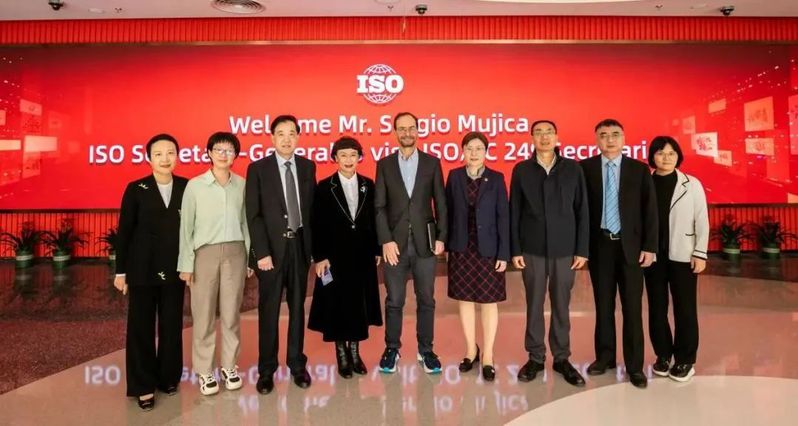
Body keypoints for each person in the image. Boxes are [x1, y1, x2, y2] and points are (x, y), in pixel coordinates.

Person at [580, 118, 658, 389]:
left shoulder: (639, 169)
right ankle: (605, 358)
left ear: (623, 139)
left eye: (615, 134)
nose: (609, 139)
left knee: (632, 308)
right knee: (603, 305)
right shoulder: (585, 168)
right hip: (600, 246)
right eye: (603, 135)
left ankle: (635, 366)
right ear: (596, 140)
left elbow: (650, 211)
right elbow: (580, 211)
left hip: (631, 248)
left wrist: (649, 246)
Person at [510, 120, 589, 387]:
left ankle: (562, 358)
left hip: (565, 249)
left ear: (557, 137)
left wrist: (582, 249)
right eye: (538, 133)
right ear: (531, 138)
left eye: (549, 132)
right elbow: (514, 211)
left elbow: (583, 210)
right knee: (534, 304)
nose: (544, 137)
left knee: (561, 305)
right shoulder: (522, 170)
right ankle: (535, 357)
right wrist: (515, 249)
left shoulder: (573, 169)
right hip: (532, 249)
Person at [114, 133, 187, 411]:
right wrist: (121, 272)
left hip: (175, 269)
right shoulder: (136, 189)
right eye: (158, 154)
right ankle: (143, 385)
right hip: (141, 269)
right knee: (141, 327)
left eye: (170, 153)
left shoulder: (187, 187)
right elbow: (124, 233)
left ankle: (168, 377)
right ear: (149, 159)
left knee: (172, 325)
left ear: (177, 156)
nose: (165, 158)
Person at [246, 115, 316, 394]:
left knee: (298, 308)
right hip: (271, 253)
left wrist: (314, 250)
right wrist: (261, 253)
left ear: (298, 137)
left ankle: (297, 365)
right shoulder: (258, 169)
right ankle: (266, 370)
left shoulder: (307, 166)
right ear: (272, 137)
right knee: (269, 310)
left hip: (299, 248)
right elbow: (254, 215)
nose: (287, 139)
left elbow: (311, 211)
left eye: (291, 133)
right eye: (281, 133)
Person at [178, 132, 251, 396]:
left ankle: (229, 367)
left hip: (235, 252)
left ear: (235, 155)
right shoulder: (195, 186)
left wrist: (249, 258)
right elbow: (186, 227)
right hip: (204, 255)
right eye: (218, 149)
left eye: (229, 150)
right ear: (209, 152)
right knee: (204, 314)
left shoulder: (242, 185)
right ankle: (205, 371)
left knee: (231, 314)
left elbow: (246, 223)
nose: (223, 154)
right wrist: (186, 264)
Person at [375, 112, 448, 374]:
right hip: (394, 245)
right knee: (394, 300)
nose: (407, 133)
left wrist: (441, 237)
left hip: (425, 243)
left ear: (418, 131)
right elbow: (379, 207)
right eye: (402, 128)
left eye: (411, 128)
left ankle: (426, 350)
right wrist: (385, 240)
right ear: (395, 132)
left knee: (426, 298)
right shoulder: (384, 164)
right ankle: (392, 348)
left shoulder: (432, 163)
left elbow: (440, 203)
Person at [308, 136, 383, 379]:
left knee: (359, 304)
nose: (349, 160)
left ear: (359, 157)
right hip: (333, 258)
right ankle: (341, 354)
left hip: (362, 255)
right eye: (343, 155)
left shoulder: (368, 184)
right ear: (335, 158)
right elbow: (316, 224)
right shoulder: (324, 187)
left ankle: (355, 353)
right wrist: (320, 256)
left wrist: (377, 249)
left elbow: (374, 219)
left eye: (353, 155)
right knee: (337, 304)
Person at [445, 131, 509, 382]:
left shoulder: (496, 178)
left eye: (479, 149)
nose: (474, 153)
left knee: (488, 301)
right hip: (462, 247)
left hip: (488, 249)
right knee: (465, 300)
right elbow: (447, 211)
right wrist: (446, 244)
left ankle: (488, 355)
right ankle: (471, 350)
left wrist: (504, 252)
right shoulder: (454, 176)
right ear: (462, 151)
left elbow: (503, 216)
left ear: (486, 152)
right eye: (469, 148)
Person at [645, 136, 708, 382]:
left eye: (671, 153)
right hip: (652, 257)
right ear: (652, 157)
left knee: (685, 309)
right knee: (656, 309)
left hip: (683, 255)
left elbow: (701, 219)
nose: (666, 157)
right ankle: (663, 355)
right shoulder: (645, 183)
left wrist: (700, 253)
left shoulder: (691, 184)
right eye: (661, 153)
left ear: (678, 156)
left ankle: (685, 360)